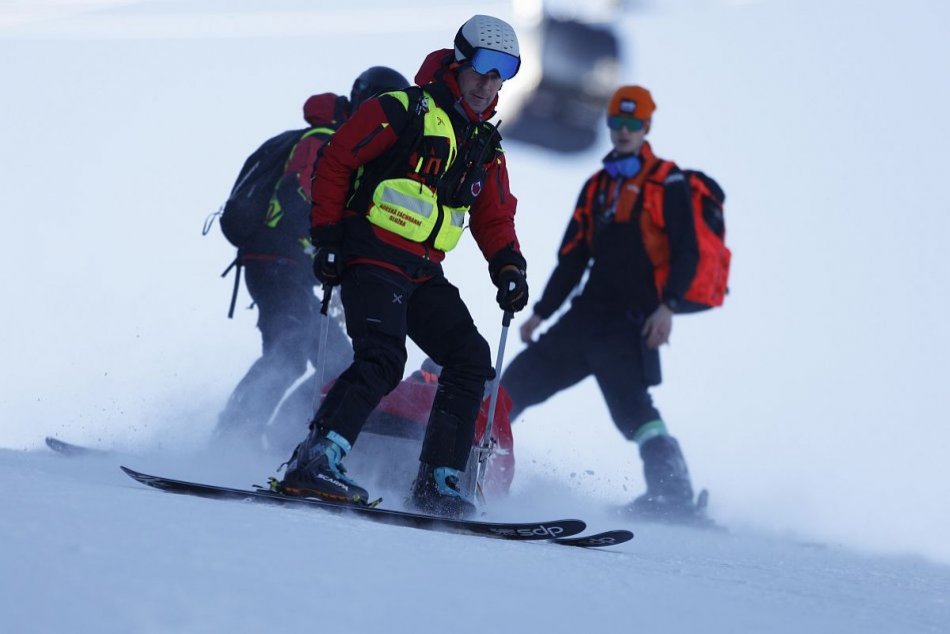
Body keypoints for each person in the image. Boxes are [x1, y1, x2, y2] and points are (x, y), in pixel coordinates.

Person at [277, 15, 530, 519]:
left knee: (470, 361)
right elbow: (336, 161)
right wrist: (327, 238)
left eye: (504, 71)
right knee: (384, 357)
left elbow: (494, 213)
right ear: (458, 62)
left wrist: (508, 265)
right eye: (482, 66)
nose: (489, 82)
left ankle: (439, 481)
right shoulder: (403, 109)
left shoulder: (485, 145)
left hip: (421, 270)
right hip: (370, 254)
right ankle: (316, 458)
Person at [500, 85, 703, 520]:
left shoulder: (668, 181)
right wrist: (541, 312)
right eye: (616, 123)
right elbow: (572, 258)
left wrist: (667, 307)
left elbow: (688, 252)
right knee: (514, 385)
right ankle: (471, 459)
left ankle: (674, 494)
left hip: (630, 326)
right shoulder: (597, 187)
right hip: (583, 319)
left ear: (647, 126)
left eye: (633, 124)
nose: (624, 131)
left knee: (635, 413)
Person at [214, 67, 411, 450]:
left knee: (333, 358)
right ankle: (232, 436)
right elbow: (300, 194)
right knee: (298, 352)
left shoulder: (339, 141)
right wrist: (325, 248)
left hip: (283, 265)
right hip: (277, 262)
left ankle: (276, 433)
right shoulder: (327, 140)